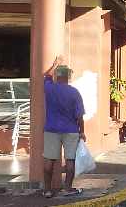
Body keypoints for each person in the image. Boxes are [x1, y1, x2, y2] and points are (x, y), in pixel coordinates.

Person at [42, 57, 85, 198]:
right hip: (71, 130)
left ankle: (47, 190)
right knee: (70, 160)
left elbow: (45, 75)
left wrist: (54, 65)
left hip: (51, 129)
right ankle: (67, 188)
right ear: (68, 77)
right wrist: (82, 132)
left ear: (57, 76)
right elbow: (79, 116)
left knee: (49, 160)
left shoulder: (49, 88)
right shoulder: (75, 92)